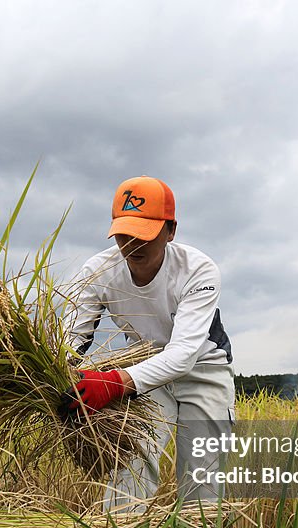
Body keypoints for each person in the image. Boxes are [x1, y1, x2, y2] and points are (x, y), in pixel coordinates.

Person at [62, 175, 236, 510]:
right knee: (130, 463)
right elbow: (72, 341)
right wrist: (60, 379)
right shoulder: (98, 271)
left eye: (144, 234)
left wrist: (114, 382)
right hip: (145, 374)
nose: (132, 244)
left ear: (170, 230)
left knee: (203, 482)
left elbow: (184, 354)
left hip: (203, 372)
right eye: (124, 233)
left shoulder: (197, 270)